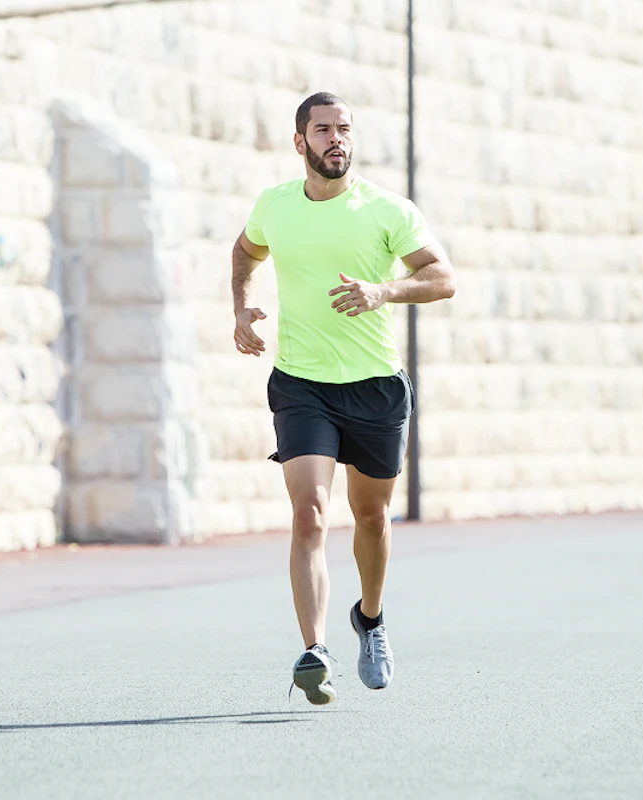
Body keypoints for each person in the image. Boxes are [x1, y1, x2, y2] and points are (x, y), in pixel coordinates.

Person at [231, 92, 455, 705]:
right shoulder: (274, 205)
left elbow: (443, 277)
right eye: (323, 130)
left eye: (345, 129)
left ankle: (371, 618)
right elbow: (246, 250)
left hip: (375, 386)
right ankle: (314, 648)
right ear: (300, 143)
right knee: (309, 513)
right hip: (302, 384)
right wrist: (241, 305)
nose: (337, 140)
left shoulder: (386, 209)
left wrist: (384, 292)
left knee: (372, 517)